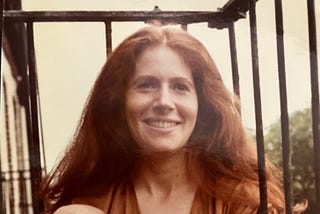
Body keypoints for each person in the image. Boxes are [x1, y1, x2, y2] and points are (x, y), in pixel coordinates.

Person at [40, 26, 305, 213]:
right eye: (146, 85)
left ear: (202, 104)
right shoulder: (90, 203)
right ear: (119, 103)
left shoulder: (242, 202)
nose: (164, 102)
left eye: (180, 87)